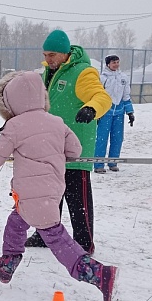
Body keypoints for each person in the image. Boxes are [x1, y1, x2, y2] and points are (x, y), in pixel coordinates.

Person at [0, 71, 118, 301]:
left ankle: (99, 274)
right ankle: (7, 264)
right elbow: (75, 151)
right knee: (16, 223)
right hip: (50, 189)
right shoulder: (56, 122)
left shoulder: (15, 126)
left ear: (10, 101)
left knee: (57, 240)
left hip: (31, 194)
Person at [23, 30, 111, 253]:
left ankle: (84, 242)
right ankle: (45, 236)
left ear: (64, 54)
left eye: (52, 55)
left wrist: (91, 109)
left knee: (77, 200)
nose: (48, 59)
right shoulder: (46, 73)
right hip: (50, 147)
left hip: (75, 148)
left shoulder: (82, 72)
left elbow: (102, 97)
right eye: (45, 55)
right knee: (49, 196)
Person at [94, 55, 134, 173]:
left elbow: (126, 96)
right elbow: (98, 96)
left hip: (119, 113)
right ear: (108, 64)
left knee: (117, 138)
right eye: (113, 63)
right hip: (105, 112)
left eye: (117, 62)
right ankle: (98, 164)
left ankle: (113, 162)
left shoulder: (124, 78)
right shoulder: (102, 78)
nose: (116, 64)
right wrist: (97, 112)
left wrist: (130, 112)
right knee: (102, 138)